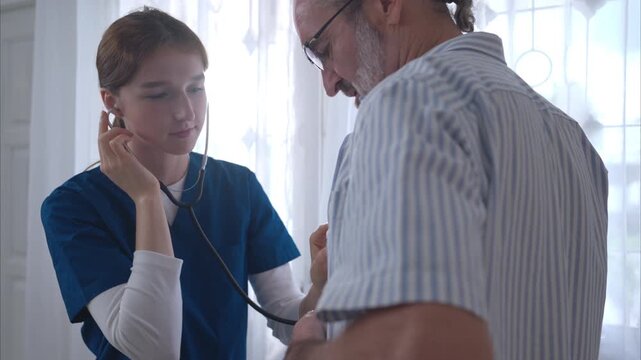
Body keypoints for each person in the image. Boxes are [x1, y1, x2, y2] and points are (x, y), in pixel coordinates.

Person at [287, 0, 608, 359]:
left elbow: (427, 345)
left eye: (324, 49)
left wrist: (306, 347)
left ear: (386, 5)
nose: (329, 83)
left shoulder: (405, 104)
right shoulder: (577, 146)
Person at [41, 7, 326, 360]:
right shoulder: (73, 207)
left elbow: (285, 316)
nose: (186, 112)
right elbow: (151, 349)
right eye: (159, 94)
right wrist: (146, 199)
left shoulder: (239, 188)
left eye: (195, 88)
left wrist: (322, 285)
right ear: (112, 101)